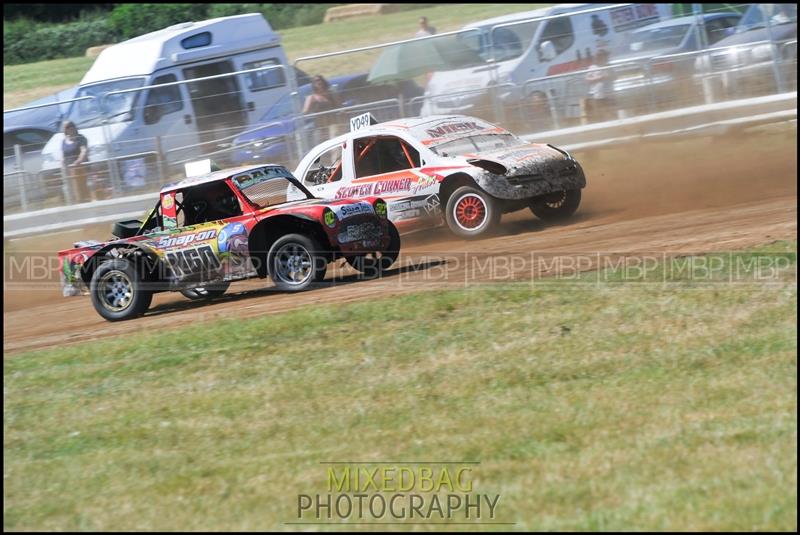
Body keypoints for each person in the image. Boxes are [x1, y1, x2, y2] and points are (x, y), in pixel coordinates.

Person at [303, 75, 339, 145]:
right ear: (313, 84)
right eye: (316, 81)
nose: (319, 82)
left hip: (332, 124)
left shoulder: (331, 94)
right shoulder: (311, 97)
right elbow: (305, 111)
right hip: (320, 126)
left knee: (335, 144)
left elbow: (339, 106)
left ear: (323, 81)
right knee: (321, 148)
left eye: (320, 80)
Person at [61, 120, 91, 202]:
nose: (70, 128)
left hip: (80, 169)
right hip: (69, 171)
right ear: (65, 130)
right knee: (70, 191)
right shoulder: (64, 141)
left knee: (81, 191)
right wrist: (63, 165)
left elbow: (84, 151)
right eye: (67, 127)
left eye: (71, 126)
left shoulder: (81, 138)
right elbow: (63, 156)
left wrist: (78, 161)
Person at [584, 49, 616, 123]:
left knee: (612, 114)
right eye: (603, 56)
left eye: (606, 56)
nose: (606, 57)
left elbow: (615, 77)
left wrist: (608, 76)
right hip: (597, 95)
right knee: (599, 115)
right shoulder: (592, 67)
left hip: (609, 94)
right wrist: (600, 78)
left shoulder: (609, 66)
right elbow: (587, 79)